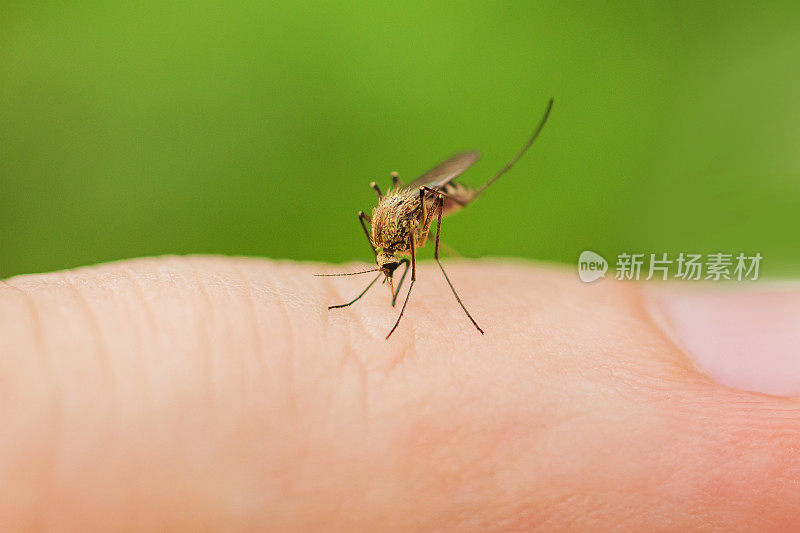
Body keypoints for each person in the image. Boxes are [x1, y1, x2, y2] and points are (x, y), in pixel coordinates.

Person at [1, 256, 798, 530]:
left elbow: (412, 238)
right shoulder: (384, 240)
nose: (394, 271)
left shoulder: (412, 231)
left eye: (390, 270)